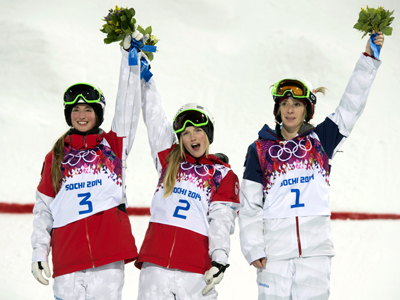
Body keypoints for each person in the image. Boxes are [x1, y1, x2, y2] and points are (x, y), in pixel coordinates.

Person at [239, 32, 384, 300]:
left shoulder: (320, 141)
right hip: (274, 255)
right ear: (277, 110)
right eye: (284, 104)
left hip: (316, 254)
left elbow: (350, 107)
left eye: (297, 104)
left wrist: (368, 60)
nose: (290, 109)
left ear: (307, 110)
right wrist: (253, 247)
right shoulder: (259, 150)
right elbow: (249, 205)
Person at [30, 33, 145, 299]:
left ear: (98, 113)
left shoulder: (113, 147)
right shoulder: (56, 156)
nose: (81, 115)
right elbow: (44, 209)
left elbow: (127, 106)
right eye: (75, 110)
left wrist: (128, 57)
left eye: (88, 109)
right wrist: (39, 252)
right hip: (68, 259)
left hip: (108, 260)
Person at [132, 52, 240, 298]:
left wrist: (219, 260)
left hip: (196, 271)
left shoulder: (223, 174)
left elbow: (222, 221)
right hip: (155, 267)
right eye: (186, 133)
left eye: (198, 131)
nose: (193, 137)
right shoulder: (169, 161)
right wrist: (146, 79)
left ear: (208, 134)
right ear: (180, 138)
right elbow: (155, 118)